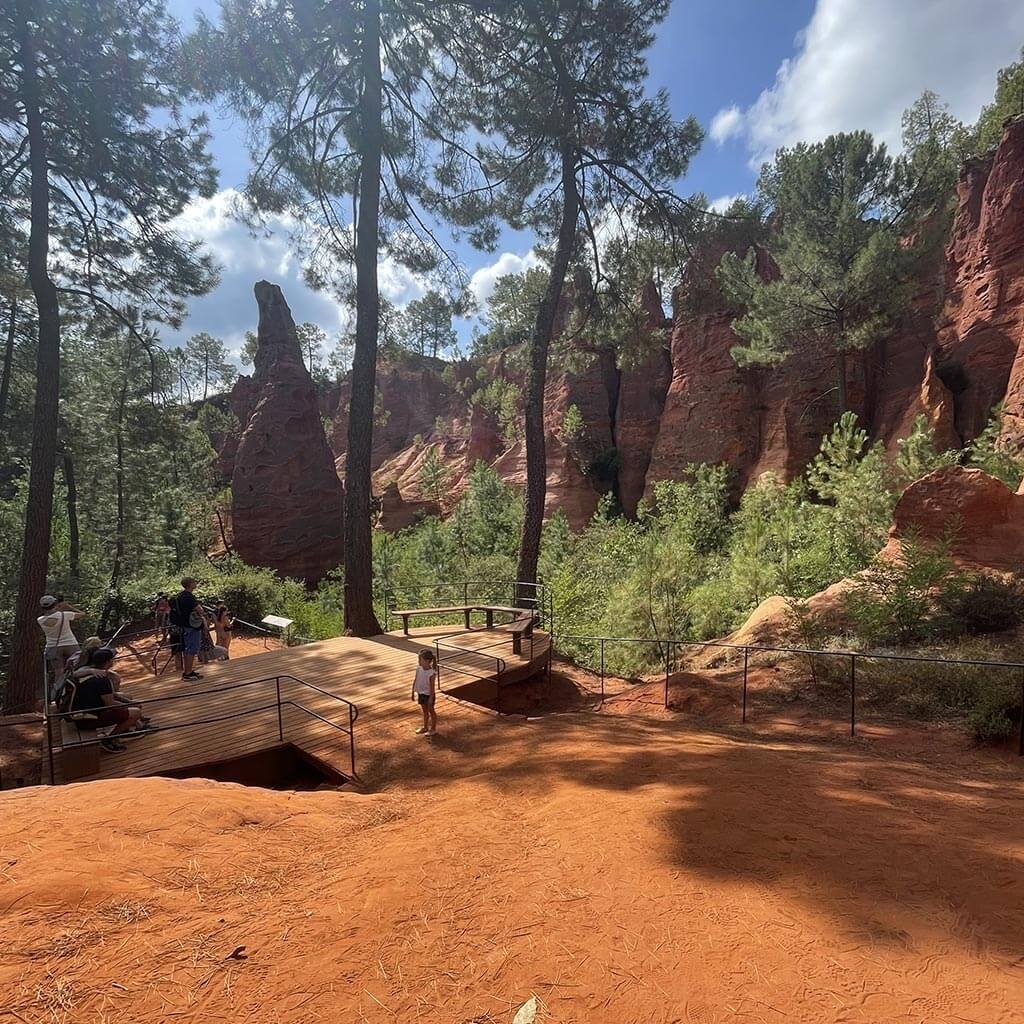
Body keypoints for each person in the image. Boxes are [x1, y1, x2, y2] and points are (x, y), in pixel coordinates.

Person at [67, 648, 150, 754]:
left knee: (129, 702)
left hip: (83, 714)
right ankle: (108, 739)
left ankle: (128, 728)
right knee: (136, 712)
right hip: (89, 719)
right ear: (108, 662)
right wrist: (130, 707)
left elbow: (110, 697)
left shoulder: (88, 672)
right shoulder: (102, 680)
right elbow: (110, 704)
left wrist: (129, 703)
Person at [37, 594, 83, 687]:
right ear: (54, 604)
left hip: (52, 647)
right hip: (71, 644)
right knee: (79, 666)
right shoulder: (65, 615)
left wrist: (57, 608)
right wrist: (69, 607)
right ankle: (80, 688)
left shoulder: (40, 619)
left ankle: (58, 693)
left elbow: (52, 616)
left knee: (58, 671)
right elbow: (82, 614)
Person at [172, 577, 209, 681]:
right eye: (194, 582)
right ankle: (187, 673)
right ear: (190, 584)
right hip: (192, 626)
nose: (196, 583)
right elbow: (200, 610)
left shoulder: (180, 596)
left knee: (189, 649)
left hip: (185, 625)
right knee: (192, 649)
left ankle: (189, 671)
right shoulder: (189, 597)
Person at [410, 649, 438, 737]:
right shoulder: (419, 669)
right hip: (421, 693)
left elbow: (432, 688)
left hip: (428, 695)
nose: (419, 661)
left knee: (431, 711)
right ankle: (425, 727)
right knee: (424, 711)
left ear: (427, 661)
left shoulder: (431, 673)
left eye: (420, 660)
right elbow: (415, 679)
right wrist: (412, 691)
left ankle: (433, 729)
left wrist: (430, 698)